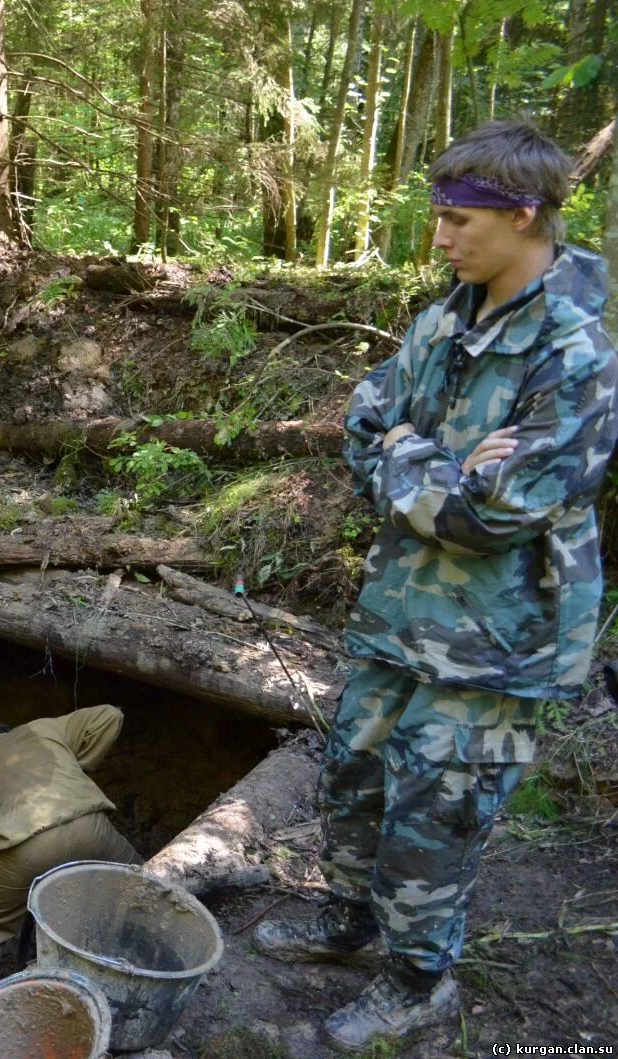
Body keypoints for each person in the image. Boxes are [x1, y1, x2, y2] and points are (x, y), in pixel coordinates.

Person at [254, 121, 618, 1053]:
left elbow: (492, 517)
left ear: (524, 214)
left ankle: (419, 984)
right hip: (403, 614)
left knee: (436, 812)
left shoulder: (576, 354)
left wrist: (415, 459)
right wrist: (438, 460)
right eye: (439, 218)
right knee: (357, 778)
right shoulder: (448, 315)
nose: (443, 238)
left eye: (459, 219)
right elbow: (365, 418)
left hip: (504, 639)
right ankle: (352, 924)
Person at [0, 705, 140, 1006]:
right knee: (140, 883)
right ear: (11, 731)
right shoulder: (45, 728)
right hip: (89, 824)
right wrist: (77, 767)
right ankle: (148, 953)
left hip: (25, 847)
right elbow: (110, 716)